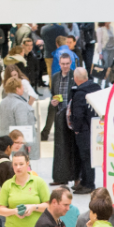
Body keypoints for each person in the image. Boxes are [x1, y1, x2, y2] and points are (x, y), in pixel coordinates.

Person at [68, 67, 100, 193]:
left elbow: (78, 114)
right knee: (89, 157)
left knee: (85, 157)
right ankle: (85, 181)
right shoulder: (96, 88)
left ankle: (88, 184)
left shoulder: (80, 93)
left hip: (84, 131)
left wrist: (76, 129)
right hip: (97, 128)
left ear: (76, 79)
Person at [48, 53, 79, 185]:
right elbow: (52, 94)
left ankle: (77, 177)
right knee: (60, 147)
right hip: (60, 115)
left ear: (71, 63)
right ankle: (60, 177)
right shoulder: (55, 77)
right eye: (63, 64)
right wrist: (52, 101)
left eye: (67, 64)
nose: (65, 66)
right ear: (59, 64)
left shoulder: (75, 76)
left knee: (74, 147)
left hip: (72, 116)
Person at [0, 77, 39, 162]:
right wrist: (28, 143)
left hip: (6, 141)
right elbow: (22, 126)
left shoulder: (3, 102)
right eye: (22, 86)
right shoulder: (19, 104)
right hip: (18, 145)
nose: (23, 89)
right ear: (17, 89)